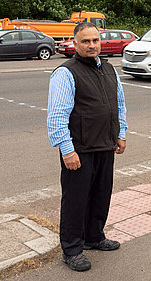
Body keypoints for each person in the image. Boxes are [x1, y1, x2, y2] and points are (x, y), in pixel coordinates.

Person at [47, 22, 128, 271]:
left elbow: (119, 104)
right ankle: (72, 249)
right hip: (79, 149)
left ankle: (94, 237)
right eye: (85, 41)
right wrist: (66, 150)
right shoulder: (66, 73)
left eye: (95, 40)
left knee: (101, 195)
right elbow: (56, 116)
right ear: (75, 42)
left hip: (105, 144)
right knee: (75, 200)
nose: (91, 45)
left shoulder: (109, 69)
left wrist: (121, 132)